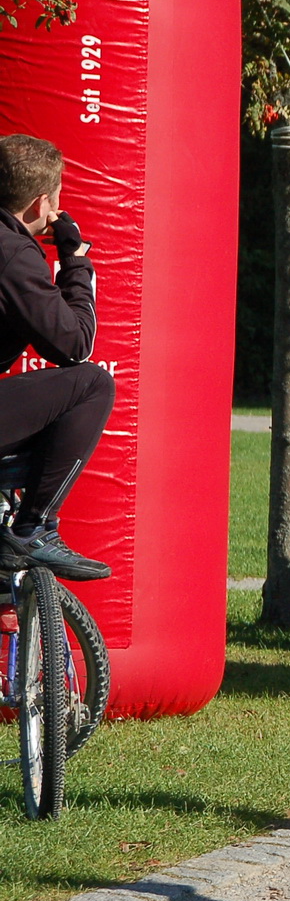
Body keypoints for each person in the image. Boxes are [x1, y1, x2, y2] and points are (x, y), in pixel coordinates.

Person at [0, 135, 115, 581]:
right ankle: (34, 529)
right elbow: (74, 344)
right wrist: (75, 261)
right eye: (55, 203)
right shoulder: (12, 254)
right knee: (92, 385)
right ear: (40, 203)